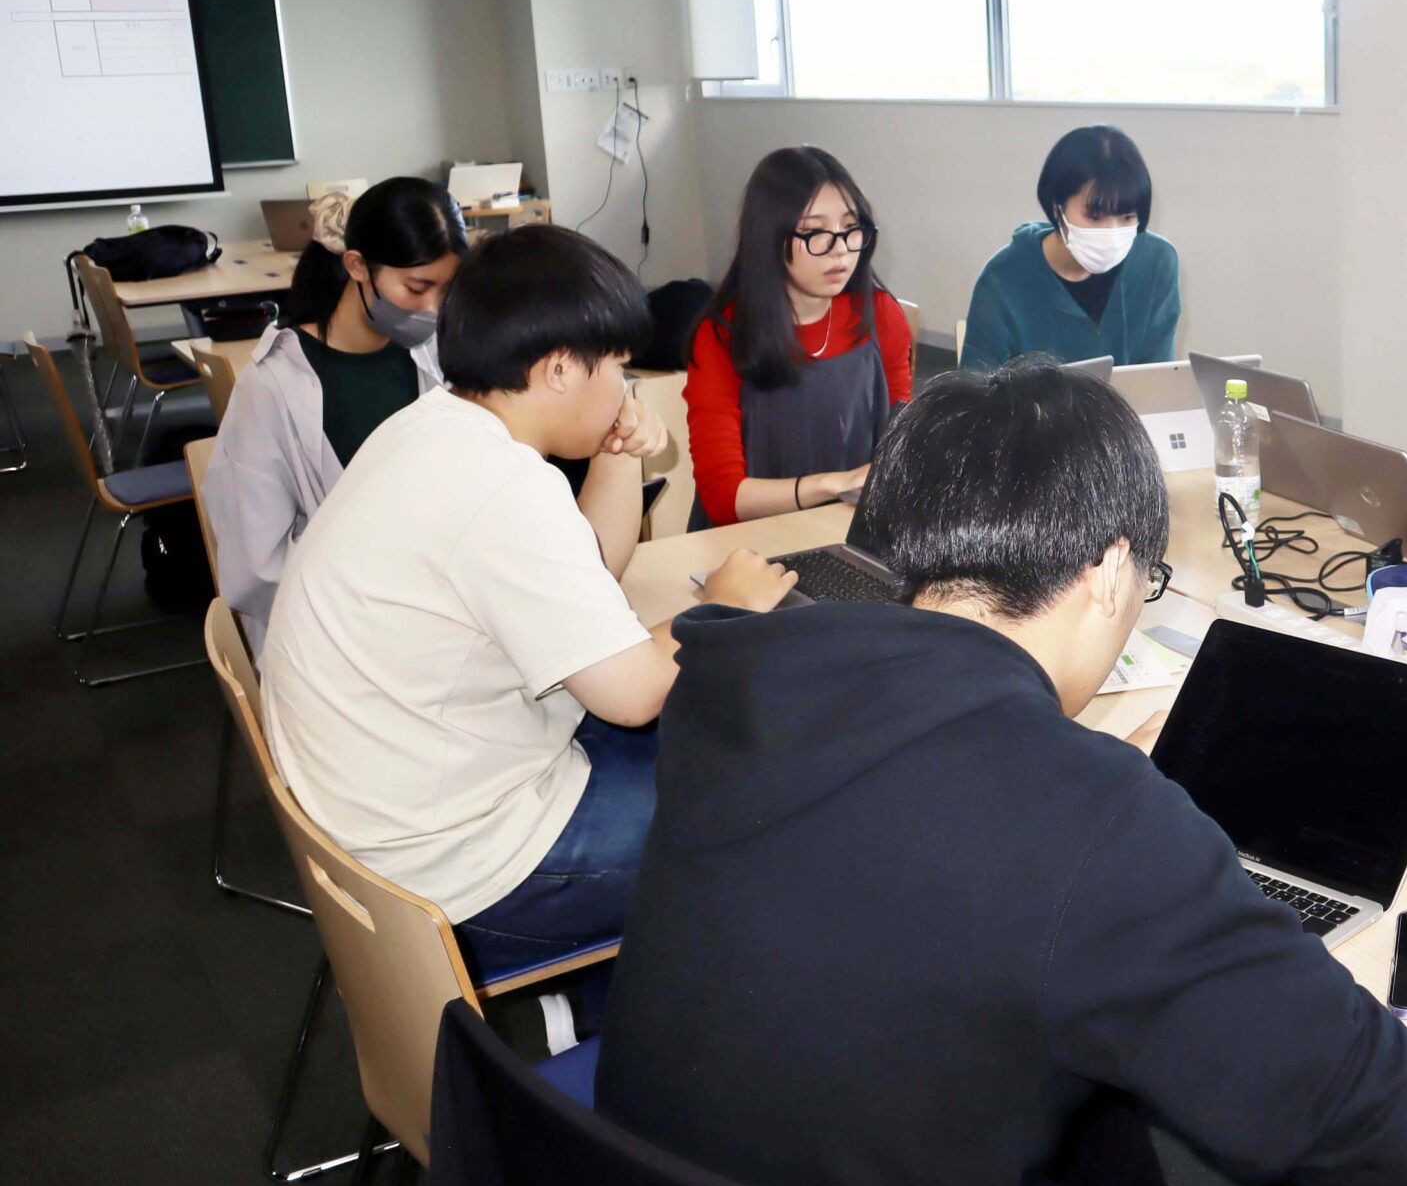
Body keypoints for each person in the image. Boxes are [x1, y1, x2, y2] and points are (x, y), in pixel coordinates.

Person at [600, 359, 1407, 1186]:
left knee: (1094, 1080)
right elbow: (1392, 1139)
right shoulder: (1090, 818)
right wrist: (1166, 847)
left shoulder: (737, 683)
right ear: (1112, 571)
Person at [258, 225, 796, 977]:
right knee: (771, 817)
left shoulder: (434, 428)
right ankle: (620, 1014)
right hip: (460, 872)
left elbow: (589, 574)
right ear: (559, 369)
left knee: (717, 742)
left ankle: (604, 996)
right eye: (616, 366)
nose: (625, 387)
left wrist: (616, 451)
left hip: (391, 817)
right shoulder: (502, 487)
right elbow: (633, 694)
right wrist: (723, 605)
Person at [200, 180, 466, 653]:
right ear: (357, 266)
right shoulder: (275, 385)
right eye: (417, 287)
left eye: (445, 289)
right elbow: (257, 568)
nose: (432, 309)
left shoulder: (432, 358)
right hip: (333, 634)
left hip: (433, 606)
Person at [685, 146, 915, 527]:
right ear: (769, 238)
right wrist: (832, 485)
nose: (840, 250)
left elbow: (902, 447)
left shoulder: (881, 315)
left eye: (850, 229)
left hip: (847, 530)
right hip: (747, 543)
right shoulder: (722, 336)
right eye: (815, 233)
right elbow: (724, 498)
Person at [961, 125, 1180, 369]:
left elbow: (1158, 374)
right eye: (1094, 217)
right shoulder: (1003, 279)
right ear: (1057, 208)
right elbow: (977, 384)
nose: (1111, 231)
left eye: (1127, 217)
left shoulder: (1156, 262)